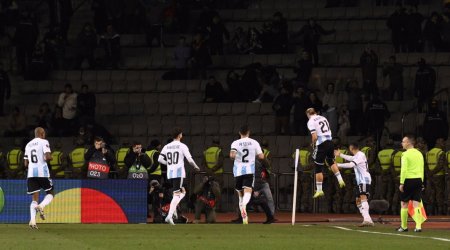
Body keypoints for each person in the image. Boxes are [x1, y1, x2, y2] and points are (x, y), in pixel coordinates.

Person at [158, 127, 200, 225]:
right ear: (180, 135)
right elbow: (189, 159)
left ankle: (174, 212)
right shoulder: (182, 146)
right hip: (178, 172)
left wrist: (168, 163)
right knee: (177, 194)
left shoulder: (166, 146)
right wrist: (196, 167)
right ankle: (169, 216)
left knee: (181, 192)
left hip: (170, 173)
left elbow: (160, 159)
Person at [230, 125, 268, 224]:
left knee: (240, 194)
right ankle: (244, 205)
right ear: (248, 132)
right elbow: (261, 156)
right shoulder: (254, 142)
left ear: (239, 133)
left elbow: (232, 155)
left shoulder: (235, 143)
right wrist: (253, 154)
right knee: (248, 191)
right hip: (249, 170)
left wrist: (237, 156)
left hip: (238, 171)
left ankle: (243, 214)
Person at [306, 108, 345, 199]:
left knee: (318, 168)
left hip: (322, 144)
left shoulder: (310, 121)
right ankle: (340, 179)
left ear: (308, 115)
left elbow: (314, 136)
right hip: (330, 142)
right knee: (331, 161)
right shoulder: (323, 118)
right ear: (316, 112)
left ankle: (319, 190)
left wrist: (313, 144)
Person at [335, 142, 374, 226]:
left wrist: (337, 165)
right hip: (360, 180)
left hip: (364, 179)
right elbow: (351, 158)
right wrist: (340, 155)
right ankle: (368, 219)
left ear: (351, 148)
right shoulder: (358, 155)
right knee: (358, 201)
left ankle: (367, 220)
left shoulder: (360, 155)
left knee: (363, 197)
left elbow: (351, 164)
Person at [24, 127, 54, 229]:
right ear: (42, 133)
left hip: (31, 174)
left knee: (34, 198)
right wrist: (50, 157)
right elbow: (48, 157)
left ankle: (32, 221)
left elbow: (25, 163)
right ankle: (41, 206)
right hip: (43, 173)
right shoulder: (44, 141)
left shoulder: (28, 145)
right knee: (50, 193)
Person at [397, 135, 426, 232]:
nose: (402, 143)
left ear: (409, 143)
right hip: (418, 180)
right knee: (416, 203)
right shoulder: (419, 153)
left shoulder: (405, 154)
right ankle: (418, 226)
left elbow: (404, 169)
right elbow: (422, 168)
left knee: (404, 203)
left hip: (408, 180)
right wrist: (421, 182)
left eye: (403, 141)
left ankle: (404, 226)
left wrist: (402, 183)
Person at [425, 138, 446, 215]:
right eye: (443, 143)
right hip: (438, 176)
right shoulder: (441, 152)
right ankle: (440, 212)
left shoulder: (428, 153)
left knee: (430, 194)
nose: (444, 145)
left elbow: (425, 165)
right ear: (439, 144)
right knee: (439, 194)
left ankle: (430, 212)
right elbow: (440, 166)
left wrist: (429, 173)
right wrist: (433, 173)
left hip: (430, 177)